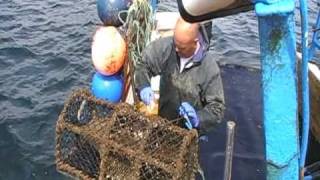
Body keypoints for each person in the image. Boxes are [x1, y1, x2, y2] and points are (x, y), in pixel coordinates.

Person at [134, 17, 225, 135]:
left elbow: (217, 108)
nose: (176, 49)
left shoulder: (208, 67)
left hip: (189, 132)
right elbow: (144, 64)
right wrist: (143, 85)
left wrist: (199, 119)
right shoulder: (168, 47)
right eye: (175, 43)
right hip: (163, 123)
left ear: (195, 41)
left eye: (181, 47)